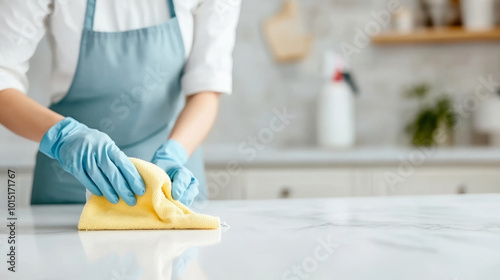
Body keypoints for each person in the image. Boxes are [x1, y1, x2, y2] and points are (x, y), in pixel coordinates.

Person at [0, 0, 241, 206]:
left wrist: (175, 153)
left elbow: (206, 87)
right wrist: (64, 137)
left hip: (172, 185)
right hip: (70, 181)